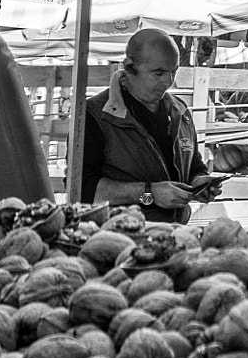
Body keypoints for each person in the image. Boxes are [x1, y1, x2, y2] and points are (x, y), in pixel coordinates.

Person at [81, 28, 213, 224]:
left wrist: (199, 182)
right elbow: (83, 189)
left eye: (173, 71)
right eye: (158, 73)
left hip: (174, 233)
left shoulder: (180, 111)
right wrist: (149, 193)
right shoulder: (95, 115)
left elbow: (194, 164)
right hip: (118, 237)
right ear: (129, 68)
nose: (168, 82)